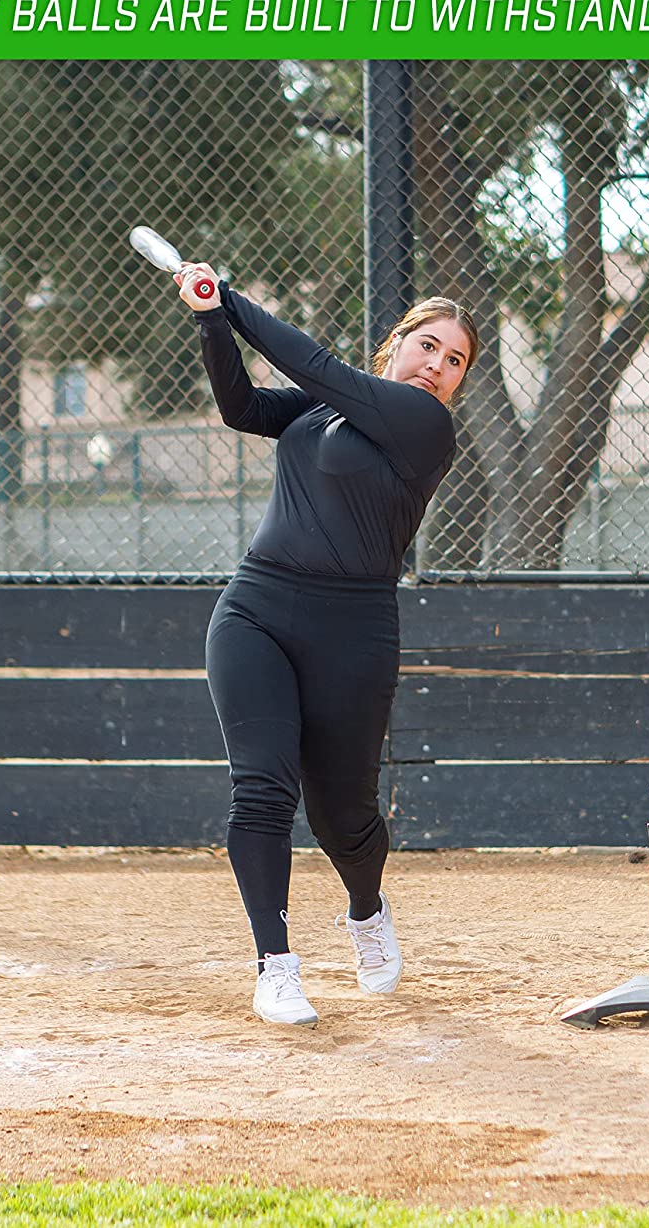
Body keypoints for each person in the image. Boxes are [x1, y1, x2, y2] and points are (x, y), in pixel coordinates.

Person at [175, 260, 478, 1027]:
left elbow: (312, 361)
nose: (438, 368)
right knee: (262, 790)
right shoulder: (320, 411)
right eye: (429, 347)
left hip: (354, 628)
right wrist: (212, 321)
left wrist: (231, 299)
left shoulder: (424, 426)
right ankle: (275, 966)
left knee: (343, 814)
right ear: (397, 346)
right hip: (257, 608)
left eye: (455, 362)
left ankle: (367, 911)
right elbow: (241, 406)